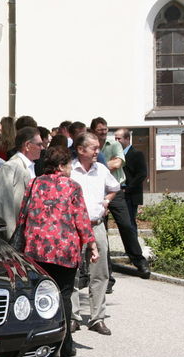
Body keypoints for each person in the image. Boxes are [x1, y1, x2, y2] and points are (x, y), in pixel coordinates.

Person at [16, 146, 98, 357]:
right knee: (63, 296)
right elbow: (81, 220)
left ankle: (37, 343)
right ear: (61, 166)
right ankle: (66, 344)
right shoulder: (72, 186)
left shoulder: (34, 183)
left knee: (39, 296)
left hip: (36, 251)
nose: (71, 168)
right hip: (64, 251)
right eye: (69, 164)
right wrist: (92, 245)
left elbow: (22, 216)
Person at [70, 132, 120, 336]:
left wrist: (107, 201)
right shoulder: (70, 170)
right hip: (73, 228)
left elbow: (115, 187)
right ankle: (73, 317)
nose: (97, 152)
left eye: (98, 148)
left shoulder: (101, 169)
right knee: (71, 273)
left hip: (96, 225)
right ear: (81, 150)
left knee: (100, 272)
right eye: (94, 148)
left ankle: (97, 318)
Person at [91, 117, 150, 280]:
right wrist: (104, 164)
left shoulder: (114, 144)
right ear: (93, 131)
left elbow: (117, 163)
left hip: (115, 190)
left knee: (126, 225)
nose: (103, 132)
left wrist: (97, 165)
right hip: (97, 192)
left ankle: (139, 260)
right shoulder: (90, 145)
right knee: (101, 232)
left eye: (105, 129)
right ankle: (107, 275)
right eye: (100, 129)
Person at [0, 127, 43, 240]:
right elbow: (2, 205)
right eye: (39, 144)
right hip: (15, 238)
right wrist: (11, 237)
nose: (42, 148)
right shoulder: (11, 167)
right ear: (28, 145)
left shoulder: (30, 166)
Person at [115, 128, 147, 233]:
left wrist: (128, 189)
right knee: (122, 223)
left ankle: (133, 249)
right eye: (115, 138)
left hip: (130, 194)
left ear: (127, 138)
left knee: (130, 223)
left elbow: (142, 174)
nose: (116, 141)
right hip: (117, 192)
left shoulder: (137, 154)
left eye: (119, 138)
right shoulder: (115, 155)